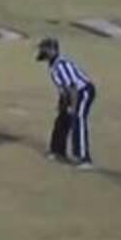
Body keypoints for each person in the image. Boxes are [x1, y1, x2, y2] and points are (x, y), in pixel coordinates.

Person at [37, 38, 96, 169]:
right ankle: (58, 150)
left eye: (44, 49)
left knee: (78, 120)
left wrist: (72, 107)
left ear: (52, 50)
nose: (41, 51)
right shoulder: (53, 65)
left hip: (83, 92)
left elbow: (73, 87)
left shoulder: (61, 65)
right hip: (71, 94)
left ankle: (84, 159)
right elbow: (63, 88)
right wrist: (62, 104)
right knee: (62, 119)